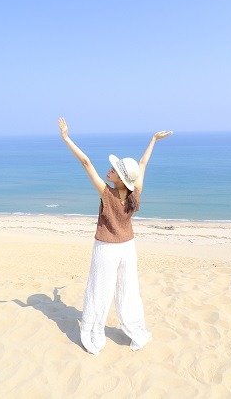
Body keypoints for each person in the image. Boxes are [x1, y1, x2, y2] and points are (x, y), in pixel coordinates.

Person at [58, 117, 173, 354]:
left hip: (107, 248)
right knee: (129, 291)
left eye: (114, 170)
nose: (109, 170)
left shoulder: (106, 194)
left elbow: (86, 162)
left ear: (120, 179)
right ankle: (136, 332)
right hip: (128, 248)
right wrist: (153, 140)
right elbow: (142, 164)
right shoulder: (135, 193)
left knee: (99, 292)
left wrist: (66, 138)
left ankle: (93, 336)